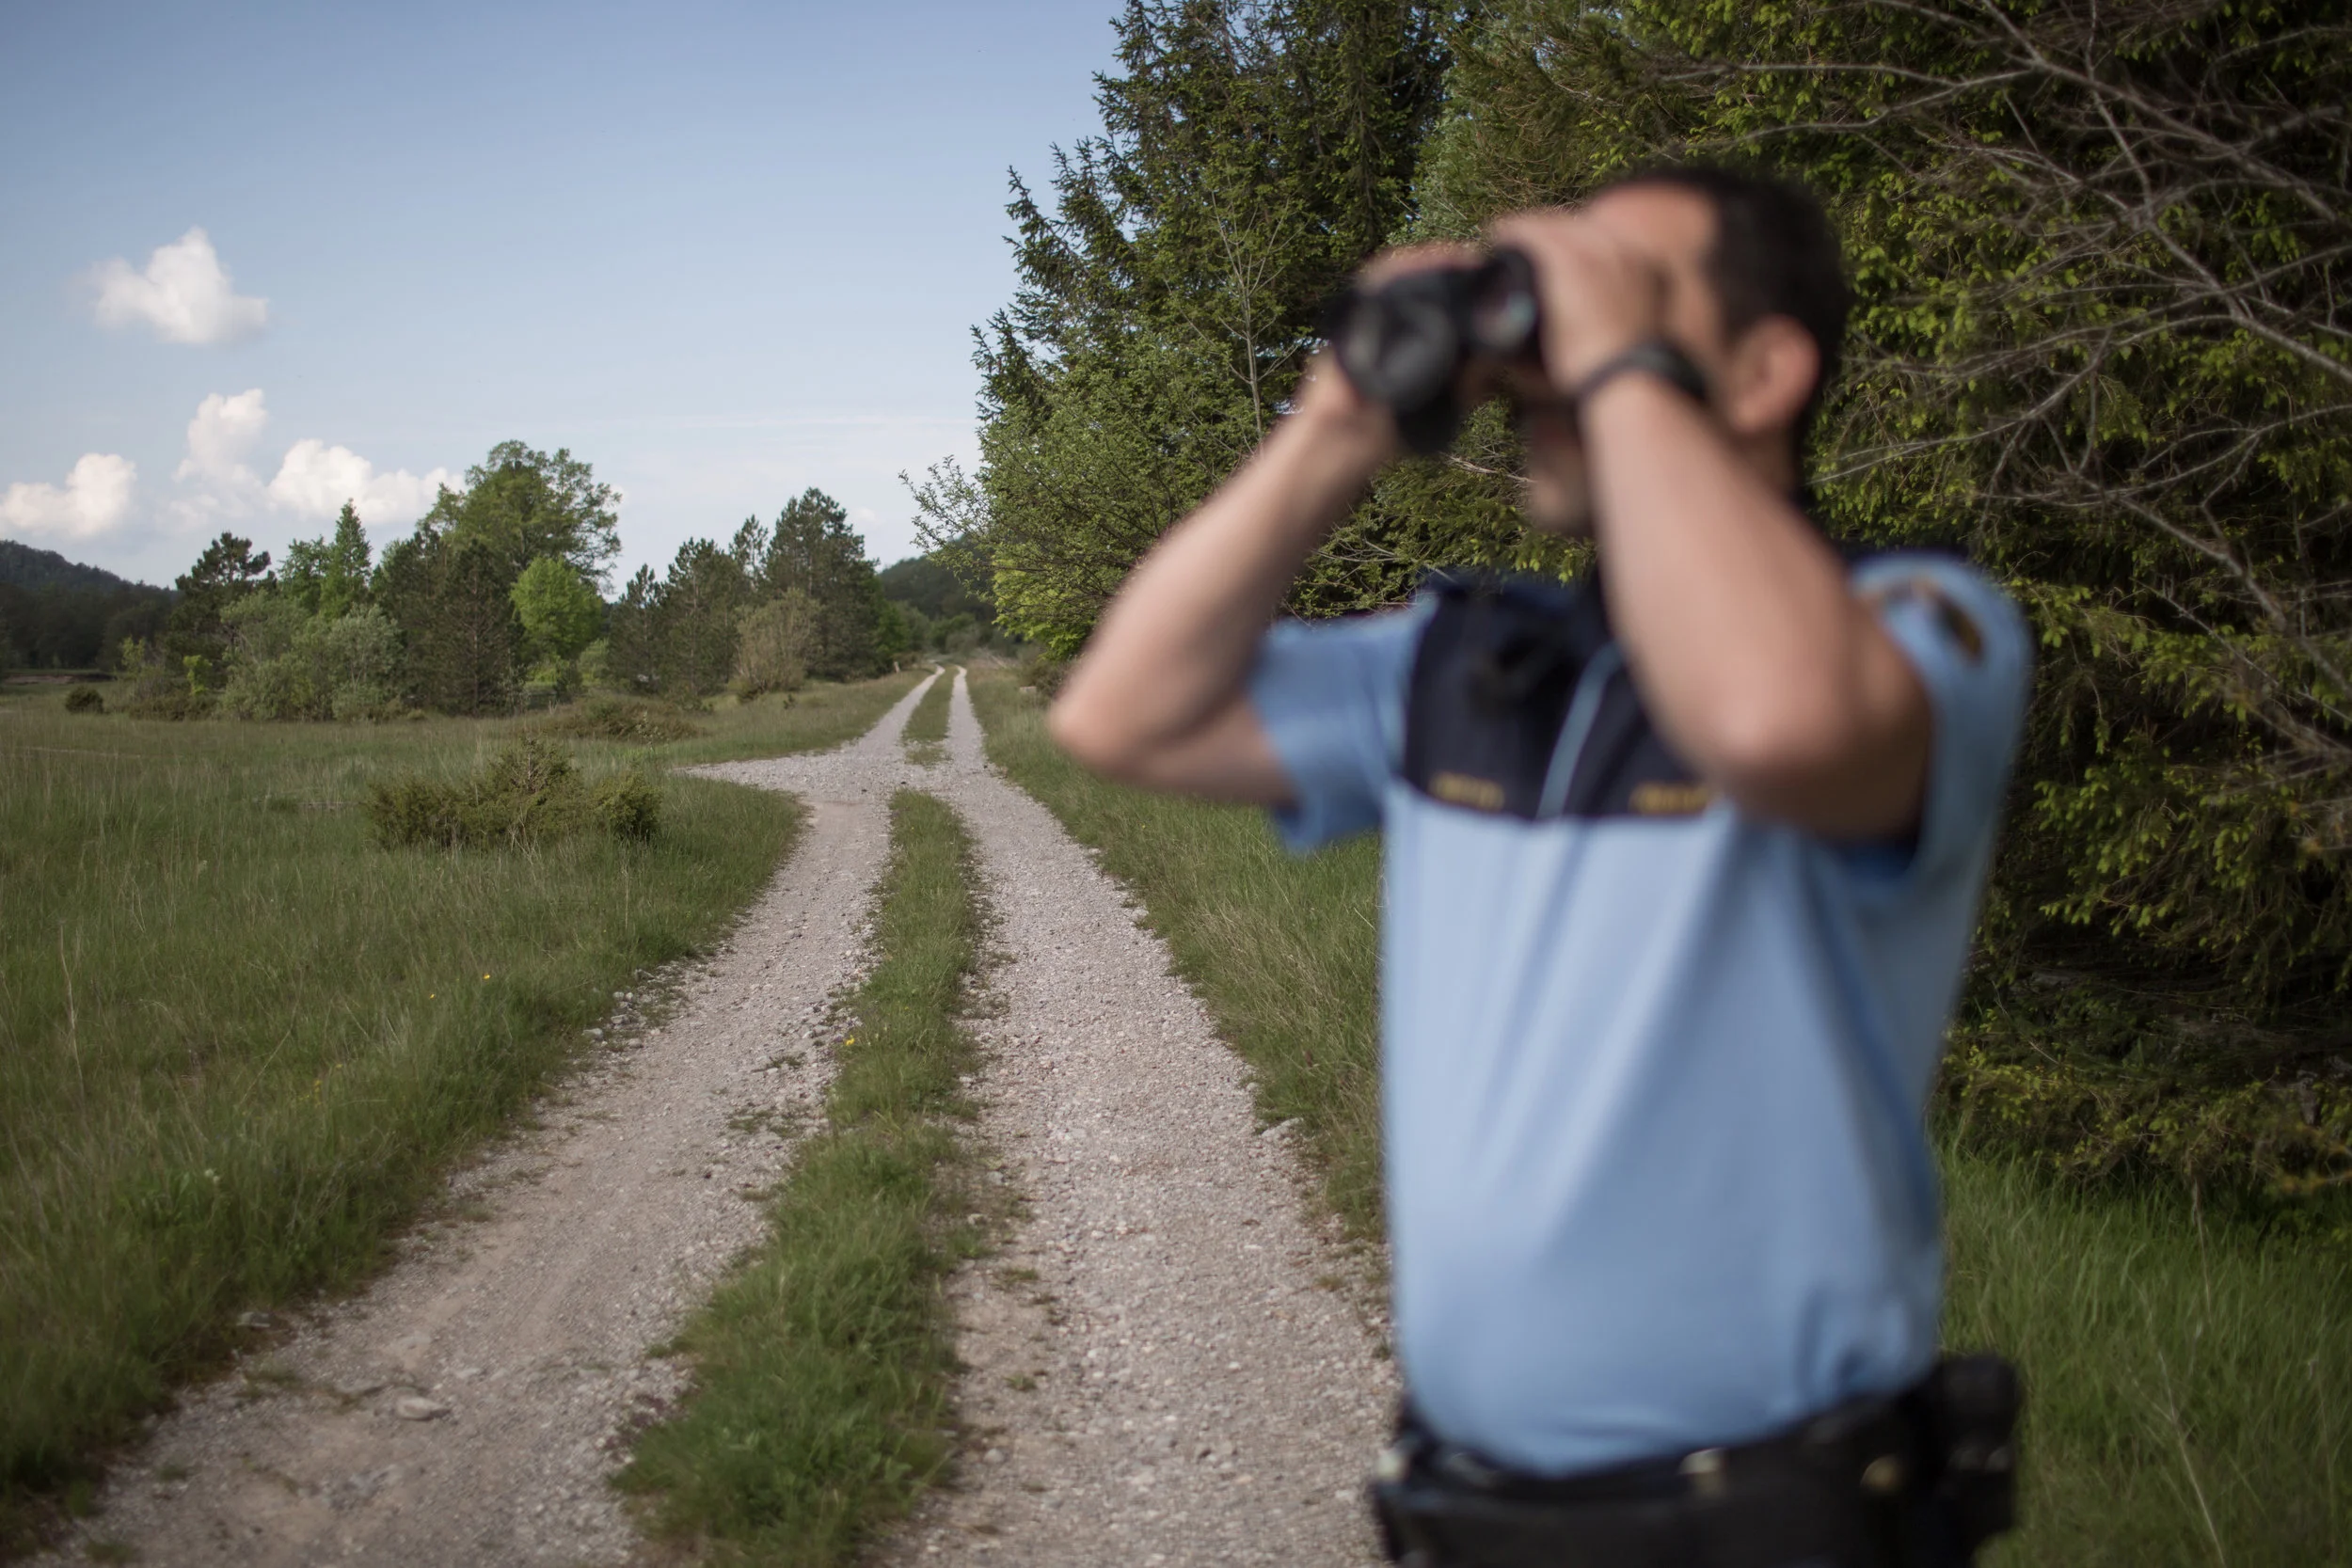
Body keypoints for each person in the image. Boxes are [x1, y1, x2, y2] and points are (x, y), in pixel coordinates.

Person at [1047, 165, 2031, 1567]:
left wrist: (1618, 365)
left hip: (1770, 1524)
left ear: (1764, 373)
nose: (1557, 357)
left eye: (1625, 292)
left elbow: (1776, 723)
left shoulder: (1915, 628)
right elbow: (1120, 713)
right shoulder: (1466, 662)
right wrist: (1341, 419)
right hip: (1468, 1513)